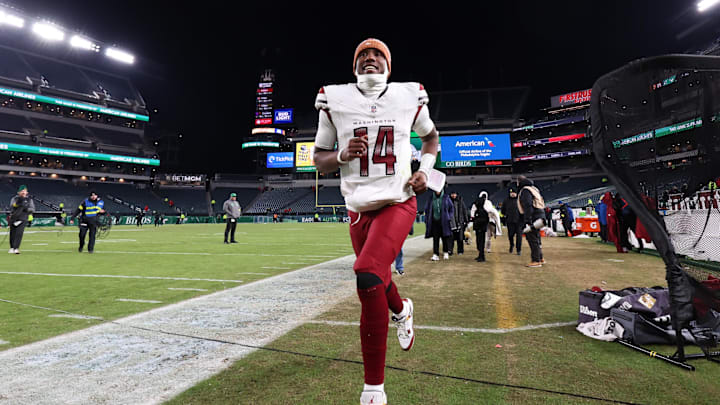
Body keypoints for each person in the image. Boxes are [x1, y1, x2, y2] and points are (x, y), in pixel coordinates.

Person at [312, 38, 439, 405]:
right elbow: (319, 159)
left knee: (367, 273)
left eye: (377, 54)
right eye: (363, 55)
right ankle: (402, 310)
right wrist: (339, 154)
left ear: (389, 64)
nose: (370, 58)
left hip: (398, 201)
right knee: (379, 279)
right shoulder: (333, 100)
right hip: (357, 208)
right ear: (354, 66)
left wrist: (424, 172)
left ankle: (374, 390)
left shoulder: (408, 95)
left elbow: (430, 138)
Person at [517, 176, 545, 267]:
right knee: (537, 238)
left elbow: (528, 205)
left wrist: (527, 220)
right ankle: (540, 258)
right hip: (540, 214)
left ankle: (536, 260)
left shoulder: (525, 190)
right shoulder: (534, 189)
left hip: (533, 216)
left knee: (532, 238)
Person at [424, 189, 454, 261]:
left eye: (439, 190)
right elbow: (427, 209)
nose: (438, 192)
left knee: (445, 237)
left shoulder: (446, 198)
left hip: (444, 221)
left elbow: (451, 208)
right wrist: (427, 219)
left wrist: (449, 217)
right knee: (435, 238)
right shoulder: (431, 198)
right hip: (434, 221)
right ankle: (435, 254)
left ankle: (446, 252)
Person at [8, 184, 34, 254]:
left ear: (27, 192)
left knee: (19, 233)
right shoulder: (14, 198)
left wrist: (26, 209)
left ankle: (16, 248)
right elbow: (11, 206)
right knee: (13, 233)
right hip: (14, 217)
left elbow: (32, 209)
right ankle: (12, 247)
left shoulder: (29, 200)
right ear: (18, 192)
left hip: (23, 218)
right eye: (22, 191)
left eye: (24, 191)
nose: (23, 192)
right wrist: (18, 204)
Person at [501, 186, 523, 255]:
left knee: (519, 236)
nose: (512, 194)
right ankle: (511, 245)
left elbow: (523, 210)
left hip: (519, 221)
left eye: (514, 192)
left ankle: (518, 249)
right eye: (511, 193)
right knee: (510, 235)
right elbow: (503, 210)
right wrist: (504, 217)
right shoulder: (506, 200)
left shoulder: (520, 200)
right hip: (510, 221)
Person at [470, 192, 490, 262]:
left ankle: (481, 255)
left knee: (479, 240)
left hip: (479, 223)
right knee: (481, 240)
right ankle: (481, 255)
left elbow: (472, 213)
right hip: (482, 224)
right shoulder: (487, 204)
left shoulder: (476, 203)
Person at [448, 190, 469, 256]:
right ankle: (450, 250)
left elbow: (464, 210)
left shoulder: (460, 201)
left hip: (460, 222)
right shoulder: (448, 201)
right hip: (451, 222)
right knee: (450, 238)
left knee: (460, 238)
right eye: (452, 194)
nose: (454, 195)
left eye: (455, 194)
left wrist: (466, 220)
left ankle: (460, 251)